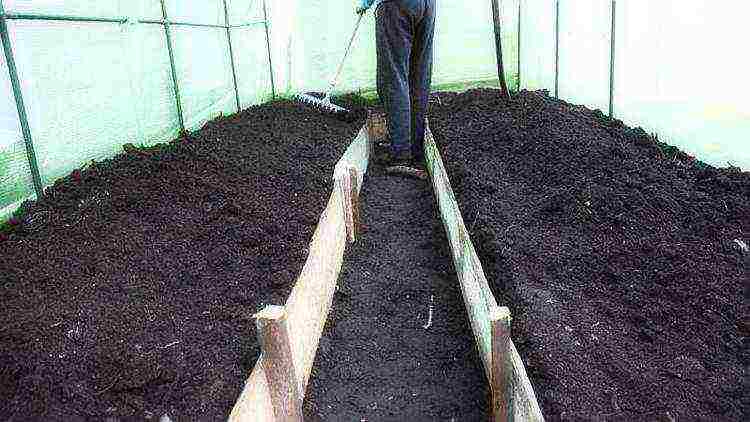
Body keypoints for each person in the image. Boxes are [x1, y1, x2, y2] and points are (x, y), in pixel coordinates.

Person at [357, 0, 436, 173]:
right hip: (428, 6)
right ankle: (414, 149)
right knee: (419, 77)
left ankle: (400, 154)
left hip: (397, 6)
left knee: (394, 79)